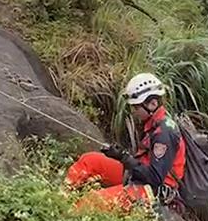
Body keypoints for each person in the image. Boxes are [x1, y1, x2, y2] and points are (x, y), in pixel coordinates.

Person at [65, 73, 185, 210]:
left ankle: (67, 216)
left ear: (152, 104)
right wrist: (120, 156)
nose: (133, 112)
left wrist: (124, 158)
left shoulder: (164, 134)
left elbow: (154, 178)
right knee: (89, 161)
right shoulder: (152, 124)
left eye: (136, 107)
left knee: (93, 201)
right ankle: (60, 198)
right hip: (137, 175)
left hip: (153, 189)